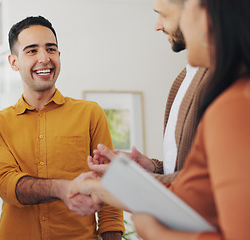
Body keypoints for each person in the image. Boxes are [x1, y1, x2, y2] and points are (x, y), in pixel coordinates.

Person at [71, 0, 250, 239]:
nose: (159, 25)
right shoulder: (214, 89)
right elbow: (193, 186)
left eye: (187, 10)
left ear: (210, 17)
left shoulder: (236, 103)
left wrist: (156, 233)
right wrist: (110, 185)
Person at [0, 16, 124, 239]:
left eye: (51, 49)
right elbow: (8, 186)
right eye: (31, 50)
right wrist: (62, 189)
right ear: (13, 62)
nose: (44, 58)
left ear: (59, 55)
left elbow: (109, 183)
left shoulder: (90, 113)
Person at [90, 0, 209, 183]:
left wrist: (138, 180)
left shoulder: (223, 80)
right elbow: (186, 170)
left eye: (164, 14)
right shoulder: (185, 77)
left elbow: (207, 180)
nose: (157, 26)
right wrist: (153, 169)